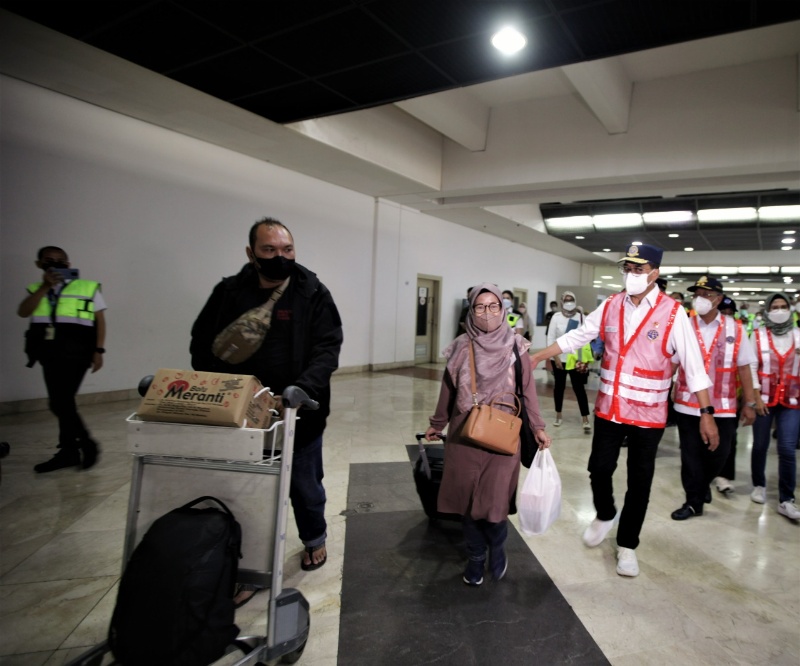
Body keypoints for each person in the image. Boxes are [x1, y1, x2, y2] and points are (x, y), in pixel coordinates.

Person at [530, 244, 718, 578]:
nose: (631, 275)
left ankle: (627, 545)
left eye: (638, 269)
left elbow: (694, 367)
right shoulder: (611, 305)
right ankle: (605, 513)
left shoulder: (674, 314)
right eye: (627, 269)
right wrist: (538, 356)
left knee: (640, 482)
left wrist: (706, 412)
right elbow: (580, 336)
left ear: (654, 273)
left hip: (649, 415)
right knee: (598, 469)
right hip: (610, 409)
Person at [190, 217, 343, 593]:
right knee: (246, 490)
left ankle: (314, 539)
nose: (280, 256)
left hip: (298, 411)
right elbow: (202, 343)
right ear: (251, 253)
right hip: (243, 413)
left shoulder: (312, 292)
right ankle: (249, 558)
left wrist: (301, 389)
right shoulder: (229, 292)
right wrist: (227, 390)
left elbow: (327, 347)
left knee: (305, 485)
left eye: (287, 250)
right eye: (269, 250)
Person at [424, 283, 550, 586]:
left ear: (503, 310)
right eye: (480, 307)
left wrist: (538, 427)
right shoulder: (459, 347)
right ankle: (476, 557)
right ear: (471, 310)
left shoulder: (517, 347)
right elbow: (448, 392)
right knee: (468, 505)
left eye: (494, 306)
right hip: (465, 435)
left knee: (494, 506)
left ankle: (497, 546)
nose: (487, 313)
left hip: (503, 437)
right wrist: (437, 423)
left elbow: (528, 392)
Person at [670, 277, 757, 520]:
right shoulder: (684, 325)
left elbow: (744, 368)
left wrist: (749, 403)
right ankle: (693, 502)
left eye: (706, 295)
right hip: (688, 404)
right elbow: (672, 363)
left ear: (719, 299)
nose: (700, 299)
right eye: (697, 294)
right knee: (691, 456)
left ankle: (701, 485)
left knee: (719, 453)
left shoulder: (736, 329)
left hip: (724, 406)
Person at [17, 246, 106, 473]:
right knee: (63, 403)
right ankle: (71, 450)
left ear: (68, 264)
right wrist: (46, 286)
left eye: (60, 261)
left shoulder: (87, 287)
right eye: (49, 260)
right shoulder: (37, 288)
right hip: (48, 353)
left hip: (77, 353)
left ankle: (83, 444)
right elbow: (23, 312)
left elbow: (100, 320)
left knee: (60, 402)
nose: (55, 264)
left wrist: (99, 351)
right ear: (39, 264)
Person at [749, 293, 800, 520]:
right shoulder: (758, 336)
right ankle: (759, 485)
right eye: (775, 307)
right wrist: (755, 397)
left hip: (792, 400)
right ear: (768, 311)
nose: (779, 310)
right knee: (760, 445)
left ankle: (786, 499)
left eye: (783, 306)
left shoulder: (798, 335)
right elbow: (751, 366)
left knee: (787, 449)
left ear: (790, 309)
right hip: (765, 399)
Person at [546, 291, 592, 432]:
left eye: (571, 299)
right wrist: (556, 357)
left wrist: (585, 360)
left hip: (575, 359)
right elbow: (551, 337)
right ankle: (558, 415)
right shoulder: (556, 317)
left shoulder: (580, 317)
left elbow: (586, 338)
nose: (569, 302)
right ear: (561, 302)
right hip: (559, 358)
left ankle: (585, 418)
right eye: (566, 300)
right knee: (559, 388)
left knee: (579, 389)